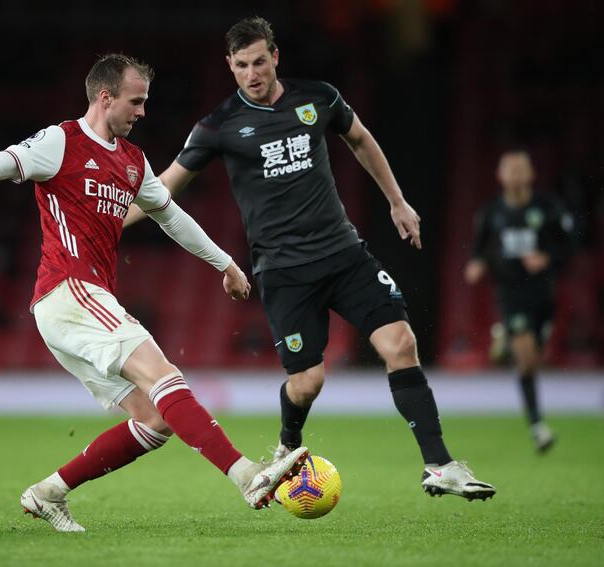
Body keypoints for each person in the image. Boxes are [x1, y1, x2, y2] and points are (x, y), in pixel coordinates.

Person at [0, 53, 309, 533]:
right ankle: (247, 476)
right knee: (164, 373)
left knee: (155, 420)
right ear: (105, 97)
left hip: (79, 303)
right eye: (135, 102)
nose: (142, 112)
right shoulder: (62, 141)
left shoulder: (133, 162)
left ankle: (47, 493)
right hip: (67, 289)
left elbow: (172, 217)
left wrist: (223, 263)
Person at [124, 17, 495, 500]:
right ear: (230, 68)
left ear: (275, 56)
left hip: (344, 254)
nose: (252, 73)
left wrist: (397, 201)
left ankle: (439, 465)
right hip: (284, 272)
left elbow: (360, 138)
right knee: (307, 383)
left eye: (260, 62)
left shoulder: (317, 98)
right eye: (242, 66)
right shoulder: (217, 126)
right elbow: (168, 182)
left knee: (400, 343)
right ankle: (288, 446)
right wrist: (112, 219)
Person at [465, 150, 575, 453]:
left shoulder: (548, 208)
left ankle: (505, 341)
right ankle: (538, 426)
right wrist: (476, 264)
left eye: (520, 169)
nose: (514, 175)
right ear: (500, 176)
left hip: (543, 295)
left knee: (532, 360)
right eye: (509, 170)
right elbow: (478, 249)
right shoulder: (491, 212)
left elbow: (571, 246)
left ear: (530, 174)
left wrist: (547, 257)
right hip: (510, 293)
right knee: (527, 360)